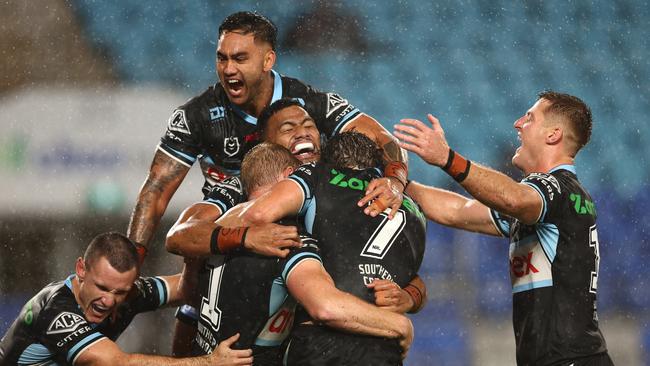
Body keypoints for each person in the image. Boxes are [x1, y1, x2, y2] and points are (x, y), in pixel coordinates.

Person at [128, 11, 408, 260]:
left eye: (240, 59)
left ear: (267, 60)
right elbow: (156, 189)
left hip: (296, 235)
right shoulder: (197, 116)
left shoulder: (306, 102)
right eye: (221, 58)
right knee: (192, 297)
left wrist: (395, 180)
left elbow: (381, 139)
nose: (228, 69)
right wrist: (133, 260)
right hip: (226, 237)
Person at [393, 91, 613, 366]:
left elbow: (512, 197)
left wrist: (448, 158)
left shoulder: (558, 189)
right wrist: (396, 183)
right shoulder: (547, 202)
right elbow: (459, 211)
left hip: (569, 359)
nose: (518, 124)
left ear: (553, 134)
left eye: (530, 118)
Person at [166, 142, 414, 364]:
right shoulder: (285, 239)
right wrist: (400, 326)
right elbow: (325, 307)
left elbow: (185, 290)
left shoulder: (217, 228)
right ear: (291, 177)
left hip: (205, 351)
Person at [0, 232, 252, 365]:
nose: (108, 301)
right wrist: (209, 363)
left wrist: (196, 254)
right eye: (101, 287)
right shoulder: (56, 310)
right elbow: (116, 362)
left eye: (119, 292)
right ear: (81, 270)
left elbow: (183, 289)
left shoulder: (130, 292)